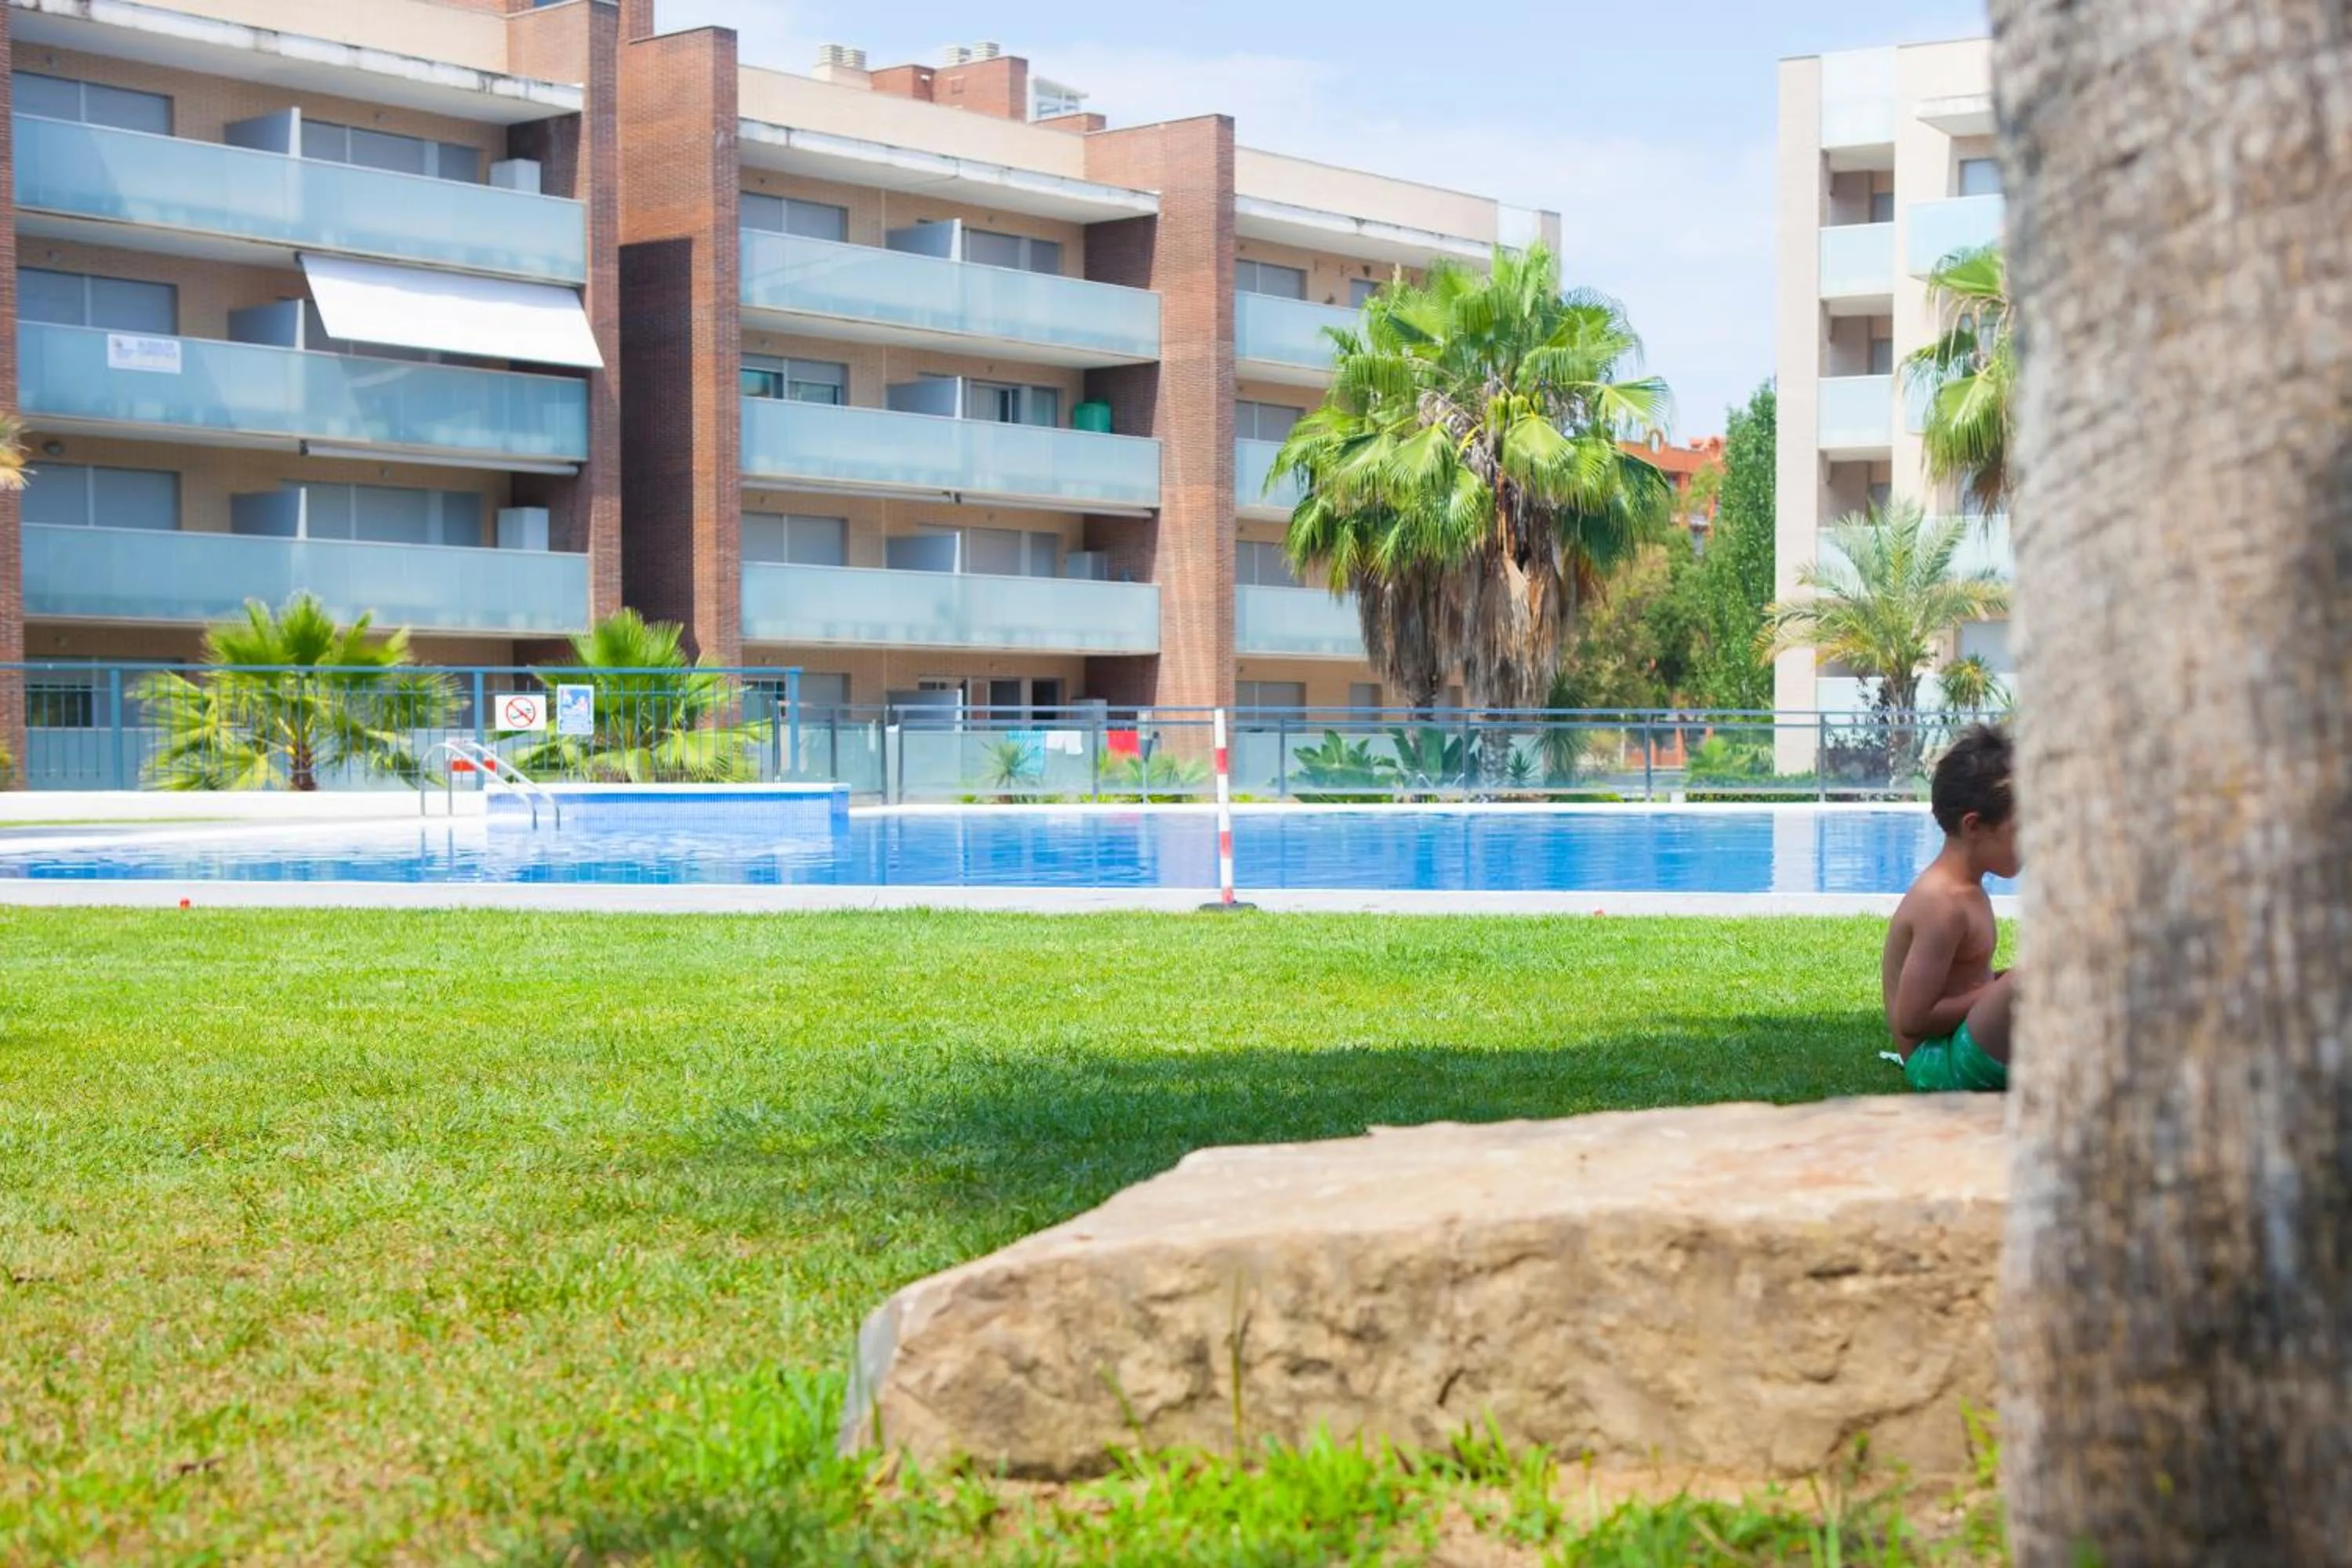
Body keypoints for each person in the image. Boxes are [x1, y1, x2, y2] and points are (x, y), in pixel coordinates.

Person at [1882, 724, 2020, 1092]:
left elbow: (1966, 982)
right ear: (1974, 826)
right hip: (1937, 1065)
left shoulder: (1968, 891)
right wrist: (1999, 990)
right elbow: (1913, 1018)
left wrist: (1996, 984)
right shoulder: (1942, 904)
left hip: (1960, 1042)